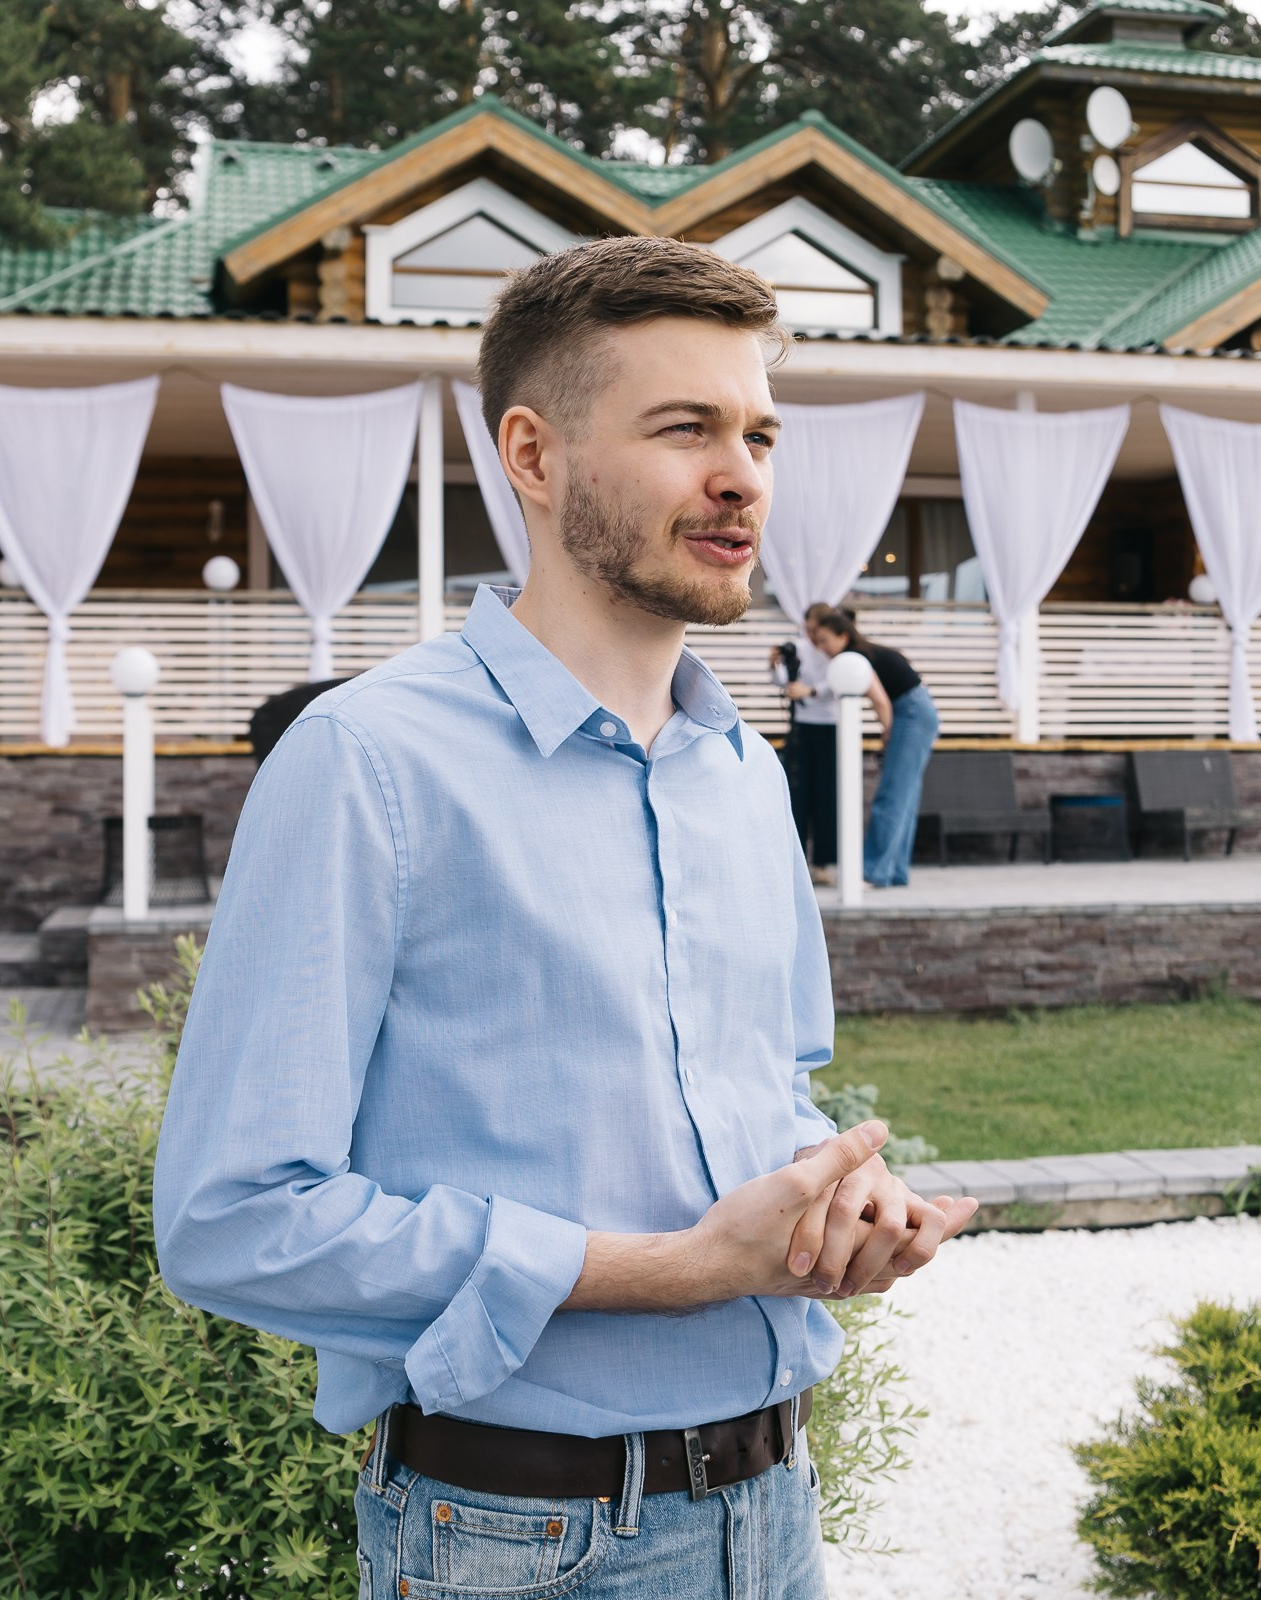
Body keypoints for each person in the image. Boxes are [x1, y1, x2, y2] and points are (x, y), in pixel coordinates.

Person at [153, 236, 978, 1600]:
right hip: (524, 1546)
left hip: (774, 1516)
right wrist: (661, 1271)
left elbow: (770, 1092)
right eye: (685, 429)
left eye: (759, 435)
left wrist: (845, 1200)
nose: (742, 478)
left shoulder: (744, 774)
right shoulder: (366, 763)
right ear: (532, 458)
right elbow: (230, 1219)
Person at [806, 609, 939, 888]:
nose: (821, 648)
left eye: (824, 640)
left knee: (891, 795)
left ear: (843, 636)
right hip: (920, 709)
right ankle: (895, 872)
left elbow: (881, 702)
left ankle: (870, 872)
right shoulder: (863, 652)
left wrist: (887, 738)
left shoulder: (853, 658)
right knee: (904, 797)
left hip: (911, 712)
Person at [770, 608, 840, 884]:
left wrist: (812, 691)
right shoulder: (797, 647)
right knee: (796, 793)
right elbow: (782, 683)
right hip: (801, 725)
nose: (811, 637)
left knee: (826, 795)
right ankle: (793, 864)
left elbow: (839, 684)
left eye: (815, 631)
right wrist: (774, 664)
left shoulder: (835, 649)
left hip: (830, 725)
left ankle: (823, 864)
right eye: (807, 629)